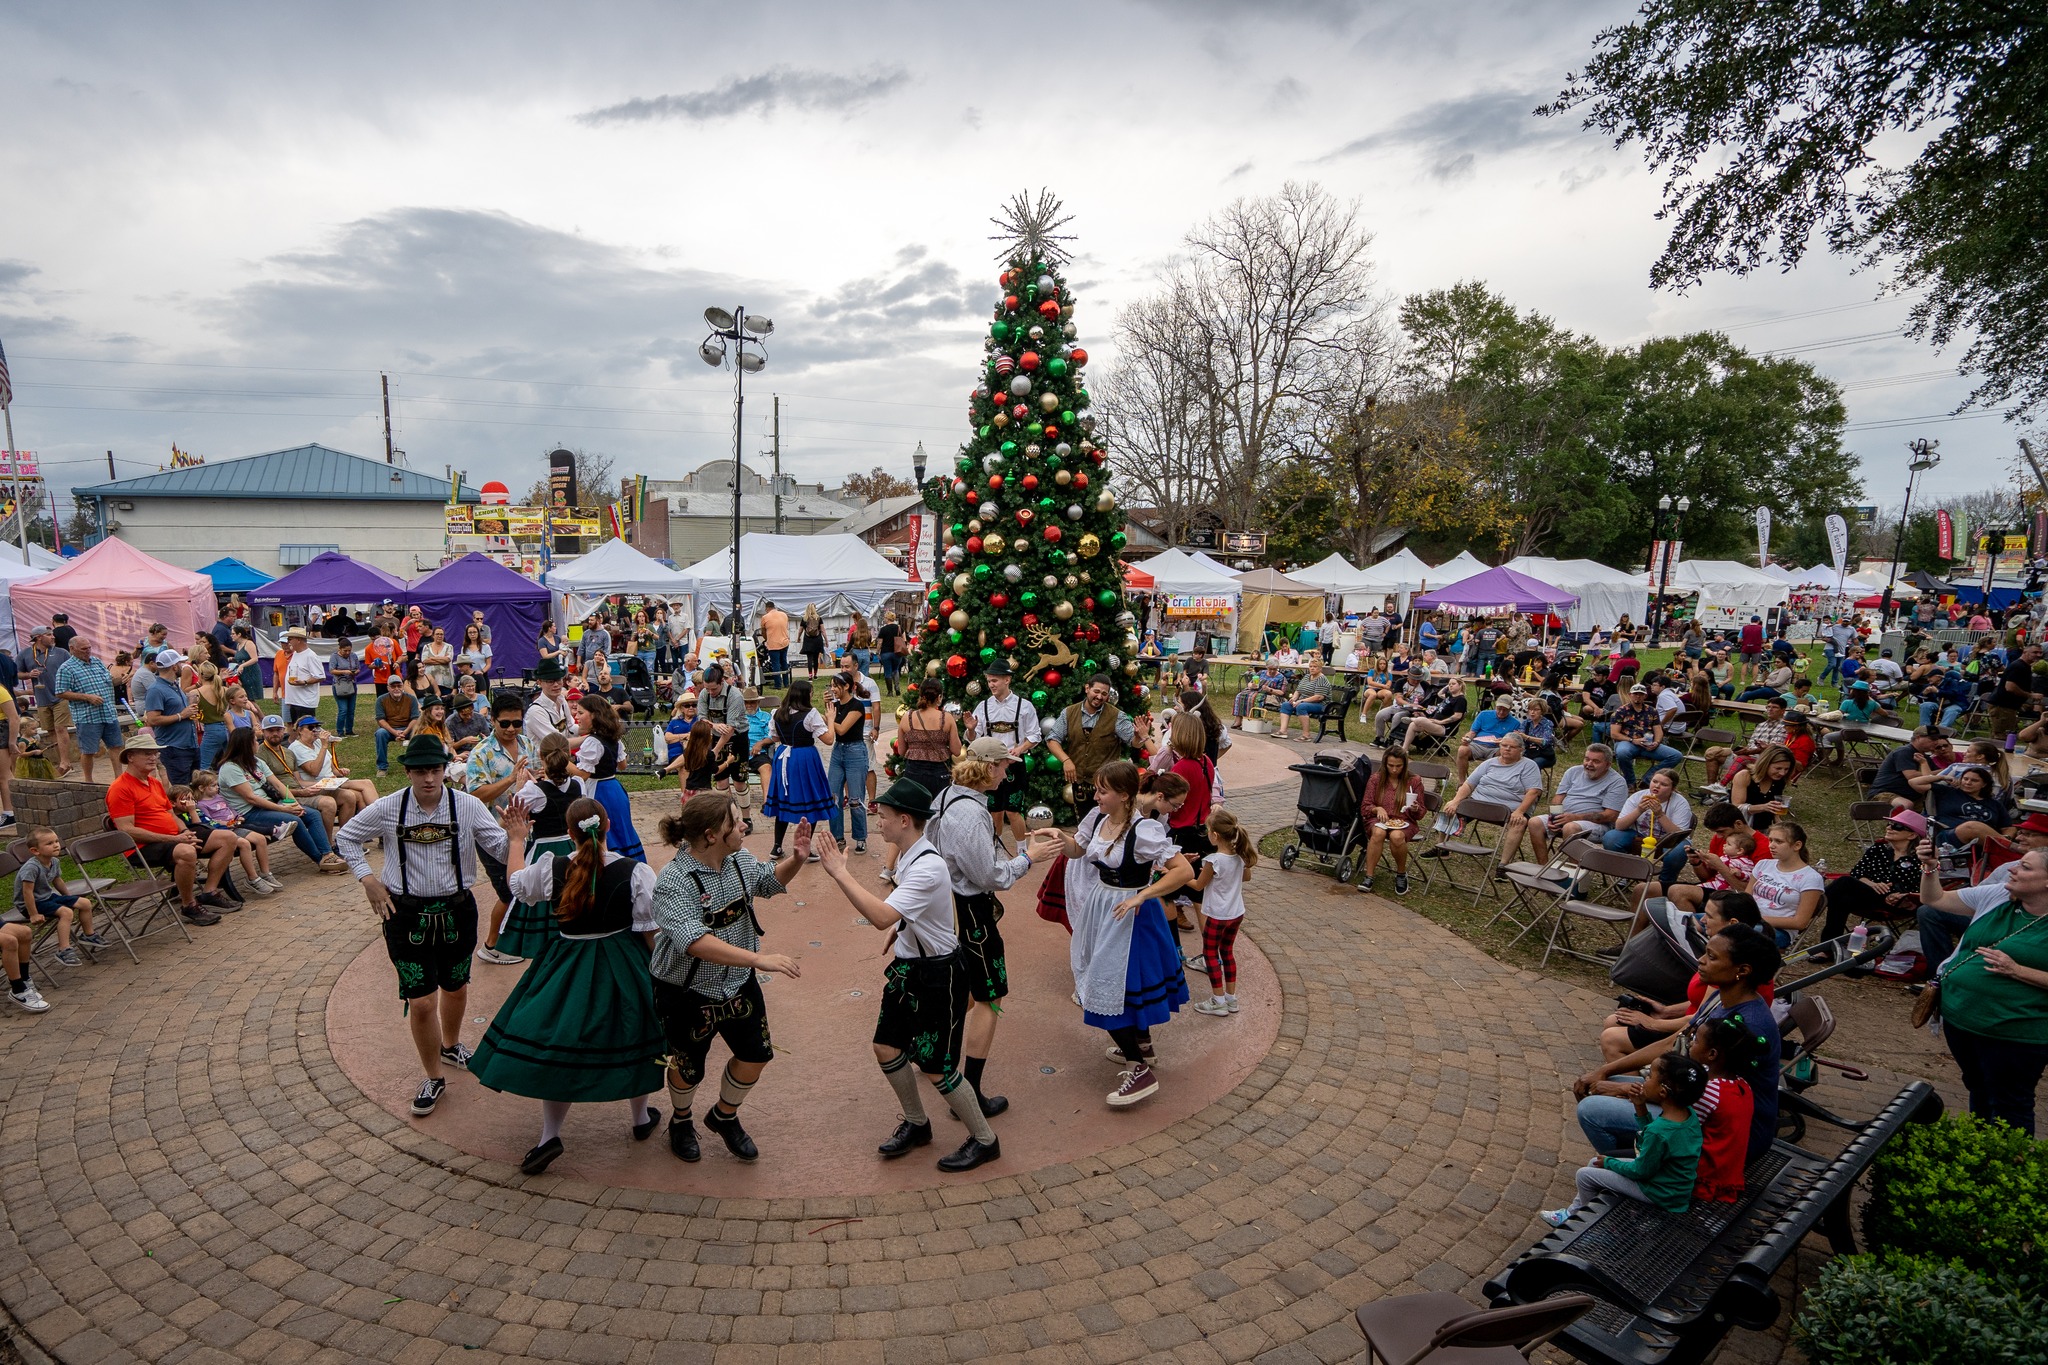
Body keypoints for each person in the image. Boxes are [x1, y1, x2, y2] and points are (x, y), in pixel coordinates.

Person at [811, 781, 1003, 1171]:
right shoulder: (912, 856)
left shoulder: (927, 864)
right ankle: (917, 1124)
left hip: (938, 976)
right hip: (909, 969)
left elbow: (882, 912)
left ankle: (985, 1140)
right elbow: (913, 911)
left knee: (937, 1068)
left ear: (904, 820)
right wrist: (900, 928)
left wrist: (839, 873)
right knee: (886, 1047)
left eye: (882, 817)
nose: (877, 822)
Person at [468, 797, 665, 1174]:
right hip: (622, 963)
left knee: (560, 1043)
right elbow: (649, 932)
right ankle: (640, 1119)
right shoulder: (636, 871)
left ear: (570, 835)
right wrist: (660, 975)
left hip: (566, 963)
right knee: (637, 1034)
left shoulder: (552, 868)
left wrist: (516, 839)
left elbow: (515, 885)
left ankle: (549, 1135)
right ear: (607, 828)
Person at [336, 734, 520, 1119]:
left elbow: (499, 851)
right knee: (421, 1002)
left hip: (457, 910)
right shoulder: (388, 808)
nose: (429, 779)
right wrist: (367, 880)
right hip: (405, 915)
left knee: (455, 986)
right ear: (407, 773)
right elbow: (347, 837)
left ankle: (451, 1045)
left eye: (435, 770)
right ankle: (433, 1076)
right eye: (420, 771)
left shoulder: (468, 806)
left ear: (444, 771)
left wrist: (517, 838)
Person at [1050, 760, 1197, 1108]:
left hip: (1131, 915)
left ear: (1124, 794)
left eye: (1103, 790)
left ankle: (1140, 1068)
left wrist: (1143, 895)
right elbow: (1079, 850)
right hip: (1102, 907)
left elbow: (1184, 870)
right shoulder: (1099, 819)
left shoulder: (1144, 830)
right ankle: (1141, 1044)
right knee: (1114, 981)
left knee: (1105, 987)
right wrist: (1060, 838)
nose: (1096, 795)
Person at [927, 739, 1060, 1119]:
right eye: (1003, 766)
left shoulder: (949, 796)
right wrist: (1027, 859)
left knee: (960, 988)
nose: (1007, 772)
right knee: (990, 995)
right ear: (988, 769)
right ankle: (969, 1094)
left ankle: (933, 1054)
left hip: (944, 908)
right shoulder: (972, 814)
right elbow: (989, 875)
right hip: (970, 913)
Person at [1579, 923, 1783, 1165]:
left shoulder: (1747, 1026)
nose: (1700, 960)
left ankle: (1643, 1171)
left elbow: (1701, 1094)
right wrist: (1605, 1070)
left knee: (1590, 1110)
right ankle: (1642, 1158)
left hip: (1728, 1135)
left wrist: (1623, 1091)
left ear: (1742, 970)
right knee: (1604, 1082)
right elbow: (1673, 1042)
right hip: (1696, 1104)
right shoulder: (1721, 997)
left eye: (1711, 956)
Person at [1911, 842, 2048, 1134]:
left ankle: (2005, 1169)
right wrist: (1931, 867)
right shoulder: (1999, 895)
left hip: (2014, 1031)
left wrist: (2017, 971)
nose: (2012, 868)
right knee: (1979, 1087)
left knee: (2010, 1104)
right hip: (1962, 1020)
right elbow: (1933, 899)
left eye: (2025, 867)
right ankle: (1979, 1152)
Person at [1543, 1054, 1709, 1226]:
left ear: (1662, 1092)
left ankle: (1587, 1226)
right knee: (1595, 1162)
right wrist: (1639, 1105)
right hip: (1672, 1187)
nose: (1645, 1079)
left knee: (1585, 1176)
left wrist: (1610, 1163)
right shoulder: (1687, 1115)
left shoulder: (1659, 1131)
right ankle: (1572, 1214)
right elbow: (1649, 1143)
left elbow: (1640, 1171)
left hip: (1659, 1192)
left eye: (1650, 1076)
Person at [106, 734, 238, 924]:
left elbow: (172, 814)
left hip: (173, 837)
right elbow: (127, 830)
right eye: (147, 753)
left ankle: (209, 891)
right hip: (142, 847)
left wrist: (185, 832)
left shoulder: (155, 783)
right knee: (186, 851)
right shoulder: (120, 788)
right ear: (130, 757)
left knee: (228, 838)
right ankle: (189, 905)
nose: (153, 757)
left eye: (155, 753)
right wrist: (174, 840)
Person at [217, 727, 340, 871]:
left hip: (269, 805)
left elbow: (278, 784)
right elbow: (251, 799)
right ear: (245, 745)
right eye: (255, 741)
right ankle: (320, 860)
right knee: (295, 821)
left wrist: (294, 804)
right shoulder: (230, 768)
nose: (258, 743)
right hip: (250, 813)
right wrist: (284, 809)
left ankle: (327, 853)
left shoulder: (256, 761)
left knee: (312, 814)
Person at [1510, 743, 1629, 867]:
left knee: (1570, 827)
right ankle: (1544, 868)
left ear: (1608, 765)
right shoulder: (1573, 771)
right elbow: (1557, 799)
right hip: (1567, 818)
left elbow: (1610, 815)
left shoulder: (1617, 782)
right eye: (1587, 759)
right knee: (1535, 822)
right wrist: (1554, 817)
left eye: (1596, 761)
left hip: (1598, 825)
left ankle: (1574, 875)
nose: (1589, 764)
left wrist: (1575, 818)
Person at [1820, 809, 1926, 944]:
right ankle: (1829, 947)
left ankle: (1811, 909)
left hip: (1898, 902)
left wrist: (1902, 895)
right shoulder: (1878, 849)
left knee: (1844, 883)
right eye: (1889, 824)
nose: (1889, 828)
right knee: (1843, 898)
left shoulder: (1920, 859)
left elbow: (1922, 887)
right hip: (1869, 895)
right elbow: (1857, 873)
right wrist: (1873, 884)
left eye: (1897, 826)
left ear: (1911, 835)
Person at [967, 659, 1042, 849]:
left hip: (1015, 764)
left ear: (1007, 680)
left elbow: (1035, 735)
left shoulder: (1024, 706)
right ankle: (995, 847)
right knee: (994, 810)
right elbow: (973, 739)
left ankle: (1022, 849)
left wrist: (1020, 748)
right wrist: (971, 730)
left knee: (1013, 810)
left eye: (995, 680)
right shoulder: (983, 707)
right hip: (991, 765)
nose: (991, 684)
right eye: (989, 681)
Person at [1190, 809, 1256, 1014]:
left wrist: (1179, 873)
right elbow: (1246, 878)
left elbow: (1198, 885)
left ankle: (1218, 1001)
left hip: (1217, 915)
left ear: (1215, 835)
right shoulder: (1240, 856)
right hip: (1236, 913)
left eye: (1208, 831)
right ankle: (1231, 998)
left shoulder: (1213, 860)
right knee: (1227, 953)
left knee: (1210, 954)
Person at [14, 824, 107, 968]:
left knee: (84, 903)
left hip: (47, 897)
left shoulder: (54, 861)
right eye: (49, 843)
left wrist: (69, 898)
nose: (56, 845)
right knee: (66, 912)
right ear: (35, 851)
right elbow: (27, 892)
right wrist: (33, 914)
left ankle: (88, 935)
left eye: (56, 841)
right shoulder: (31, 868)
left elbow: (57, 880)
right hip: (30, 904)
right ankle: (63, 950)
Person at [760, 678, 832, 859]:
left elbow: (775, 738)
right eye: (811, 692)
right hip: (804, 757)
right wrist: (830, 720)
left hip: (783, 755)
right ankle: (805, 847)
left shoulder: (777, 713)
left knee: (784, 800)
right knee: (810, 800)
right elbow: (829, 739)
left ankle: (776, 846)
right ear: (805, 695)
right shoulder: (811, 714)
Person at [1046, 675, 1135, 821]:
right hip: (1079, 783)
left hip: (1107, 784)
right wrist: (1066, 760)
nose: (1099, 697)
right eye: (1096, 691)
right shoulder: (1069, 713)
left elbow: (1133, 741)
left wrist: (1139, 736)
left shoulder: (1117, 716)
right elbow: (1052, 739)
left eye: (1104, 694)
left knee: (1106, 823)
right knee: (1083, 823)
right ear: (1087, 688)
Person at [569, 693, 645, 863]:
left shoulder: (593, 742)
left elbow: (583, 774)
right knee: (622, 829)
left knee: (604, 831)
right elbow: (622, 765)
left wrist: (562, 761)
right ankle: (630, 864)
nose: (577, 716)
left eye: (581, 713)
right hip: (615, 789)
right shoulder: (612, 738)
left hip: (600, 791)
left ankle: (610, 866)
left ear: (594, 715)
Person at [181, 773, 280, 896]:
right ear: (202, 788)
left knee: (260, 839)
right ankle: (253, 878)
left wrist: (237, 817)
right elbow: (206, 823)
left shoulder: (219, 797)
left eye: (217, 785)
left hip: (234, 826)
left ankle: (265, 873)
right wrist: (226, 823)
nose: (217, 787)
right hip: (223, 831)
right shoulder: (200, 805)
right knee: (245, 844)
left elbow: (230, 809)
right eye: (213, 785)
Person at [1438, 732, 1545, 832]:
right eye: (1504, 745)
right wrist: (1456, 801)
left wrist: (1520, 811)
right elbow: (1469, 784)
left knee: (1519, 823)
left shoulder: (1529, 766)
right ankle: (1441, 848)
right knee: (1449, 806)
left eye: (1512, 747)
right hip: (1480, 803)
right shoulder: (1490, 763)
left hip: (1510, 809)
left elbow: (1533, 792)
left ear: (1521, 749)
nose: (1507, 749)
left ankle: (1506, 853)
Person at [1355, 747, 1426, 896]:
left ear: (1404, 765)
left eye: (1398, 766)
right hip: (1378, 819)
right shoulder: (1376, 779)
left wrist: (1415, 808)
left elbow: (1420, 814)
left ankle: (1401, 874)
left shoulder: (1414, 781)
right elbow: (1365, 807)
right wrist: (1377, 809)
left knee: (1397, 836)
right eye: (1391, 765)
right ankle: (1369, 876)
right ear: (1385, 764)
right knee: (1378, 832)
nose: (1394, 770)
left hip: (1405, 821)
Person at [54, 635, 124, 785]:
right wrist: (86, 697)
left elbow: (108, 681)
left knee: (116, 746)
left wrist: (119, 680)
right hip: (87, 717)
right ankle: (88, 782)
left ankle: (120, 779)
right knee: (88, 751)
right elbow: (60, 692)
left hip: (108, 712)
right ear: (72, 649)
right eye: (83, 649)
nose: (88, 651)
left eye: (89, 648)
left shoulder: (97, 662)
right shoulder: (66, 668)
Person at [1606, 769, 1693, 887]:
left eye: (1664, 784)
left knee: (1679, 851)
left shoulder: (1680, 803)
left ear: (1673, 789)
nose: (1657, 786)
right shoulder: (1638, 797)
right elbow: (1619, 825)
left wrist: (1660, 815)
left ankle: (1664, 884)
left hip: (1667, 841)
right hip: (1639, 837)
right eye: (1654, 781)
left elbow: (1680, 835)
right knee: (1611, 837)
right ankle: (1622, 875)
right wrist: (1639, 810)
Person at [288, 715, 378, 822]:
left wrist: (341, 771)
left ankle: (361, 830)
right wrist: (324, 746)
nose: (315, 731)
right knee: (363, 786)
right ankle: (380, 818)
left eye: (317, 727)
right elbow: (314, 771)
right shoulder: (297, 748)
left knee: (361, 793)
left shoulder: (318, 743)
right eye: (311, 727)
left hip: (331, 782)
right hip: (317, 784)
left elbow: (333, 769)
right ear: (300, 730)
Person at [1748, 821, 1825, 942]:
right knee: (1709, 920)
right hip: (1749, 921)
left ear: (1797, 845)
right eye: (1770, 840)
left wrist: (1756, 919)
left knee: (1735, 935)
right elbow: (1746, 898)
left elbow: (1800, 922)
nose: (1771, 845)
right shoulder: (1763, 865)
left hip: (1780, 930)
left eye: (1778, 841)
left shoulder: (1811, 878)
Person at [141, 649, 203, 789]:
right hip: (174, 748)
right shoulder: (156, 690)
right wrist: (181, 715)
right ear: (174, 667)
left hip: (190, 745)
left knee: (195, 787)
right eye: (180, 663)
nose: (182, 666)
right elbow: (153, 720)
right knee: (181, 790)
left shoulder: (175, 686)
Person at [824, 672, 870, 852]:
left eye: (836, 686)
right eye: (832, 686)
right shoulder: (833, 706)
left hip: (855, 752)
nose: (833, 689)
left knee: (855, 799)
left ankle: (860, 837)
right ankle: (837, 837)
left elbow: (841, 729)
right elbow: (829, 728)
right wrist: (827, 708)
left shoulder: (857, 706)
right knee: (832, 796)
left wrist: (829, 718)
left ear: (847, 687)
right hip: (838, 751)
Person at [895, 679, 960, 797]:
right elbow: (956, 750)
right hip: (938, 773)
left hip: (913, 773)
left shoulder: (907, 718)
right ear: (939, 697)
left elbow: (901, 751)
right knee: (938, 809)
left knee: (915, 811)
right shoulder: (946, 718)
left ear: (920, 695)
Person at [23, 629, 73, 779]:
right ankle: (65, 764)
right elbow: (17, 673)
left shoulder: (62, 652)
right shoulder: (25, 654)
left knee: (60, 728)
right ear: (39, 637)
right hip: (42, 698)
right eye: (49, 635)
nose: (53, 637)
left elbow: (72, 669)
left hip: (61, 696)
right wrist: (28, 675)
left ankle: (64, 764)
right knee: (51, 731)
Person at [1610, 683, 1680, 788]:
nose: (1638, 696)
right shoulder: (1620, 711)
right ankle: (1630, 781)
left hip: (1648, 743)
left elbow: (1658, 730)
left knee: (1676, 755)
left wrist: (1656, 742)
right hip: (1628, 742)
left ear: (1645, 696)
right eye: (1635, 694)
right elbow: (1614, 734)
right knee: (1622, 752)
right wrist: (1632, 740)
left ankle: (1648, 780)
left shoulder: (1652, 711)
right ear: (1630, 695)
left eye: (1640, 694)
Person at [1454, 693, 1525, 783]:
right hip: (1477, 744)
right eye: (1499, 709)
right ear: (1495, 706)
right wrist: (1467, 738)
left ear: (1510, 709)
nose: (1501, 712)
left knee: (1506, 753)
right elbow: (1472, 732)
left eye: (1505, 710)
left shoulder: (1515, 723)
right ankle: (1462, 782)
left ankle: (1492, 782)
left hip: (1497, 748)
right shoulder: (1484, 714)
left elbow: (1513, 741)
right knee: (1462, 750)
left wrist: (1503, 742)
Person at [1728, 746, 1795, 832]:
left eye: (1786, 769)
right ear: (1765, 764)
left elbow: (1775, 808)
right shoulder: (1745, 776)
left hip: (1764, 827)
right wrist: (1763, 807)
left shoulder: (1780, 780)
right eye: (1778, 768)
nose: (1782, 773)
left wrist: (1780, 824)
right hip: (1740, 827)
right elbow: (1737, 806)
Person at [1987, 641, 2041, 739]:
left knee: (2003, 736)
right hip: (2002, 706)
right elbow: (2010, 687)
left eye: (2040, 653)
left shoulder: (2025, 666)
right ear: (2025, 652)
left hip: (2008, 706)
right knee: (2001, 737)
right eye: (2035, 652)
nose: (2038, 655)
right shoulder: (2018, 666)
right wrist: (2030, 695)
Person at [374, 670, 419, 774]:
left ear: (403, 686)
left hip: (408, 728)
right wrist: (395, 732)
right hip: (389, 729)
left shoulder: (411, 699)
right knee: (380, 734)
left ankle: (415, 764)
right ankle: (382, 767)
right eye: (393, 686)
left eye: (399, 686)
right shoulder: (381, 700)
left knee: (419, 733)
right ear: (388, 688)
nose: (396, 689)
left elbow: (415, 718)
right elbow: (380, 720)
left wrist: (405, 732)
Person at [281, 626, 328, 726]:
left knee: (306, 731)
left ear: (298, 640)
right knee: (296, 729)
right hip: (295, 701)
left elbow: (320, 676)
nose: (288, 641)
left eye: (290, 639)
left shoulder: (310, 656)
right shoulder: (296, 654)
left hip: (304, 702)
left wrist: (304, 682)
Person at [523, 657, 574, 748]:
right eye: (550, 681)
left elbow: (571, 728)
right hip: (543, 760)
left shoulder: (562, 700)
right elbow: (558, 743)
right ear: (539, 682)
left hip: (561, 757)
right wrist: (588, 737)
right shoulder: (535, 711)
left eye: (558, 679)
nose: (556, 684)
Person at [1280, 657, 1333, 742]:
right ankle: (1282, 731)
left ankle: (1306, 735)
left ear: (1320, 668)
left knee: (1301, 707)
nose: (1312, 668)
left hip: (1321, 705)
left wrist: (1301, 701)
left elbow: (1318, 697)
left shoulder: (1322, 679)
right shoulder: (1307, 676)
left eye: (1315, 667)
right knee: (1286, 705)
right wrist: (1294, 698)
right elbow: (1298, 690)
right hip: (1304, 701)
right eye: (1311, 666)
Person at [329, 635, 361, 736]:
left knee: (351, 710)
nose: (347, 653)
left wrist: (355, 672)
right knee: (343, 710)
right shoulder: (334, 656)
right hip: (339, 685)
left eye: (349, 651)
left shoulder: (354, 656)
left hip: (351, 684)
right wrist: (344, 672)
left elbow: (358, 668)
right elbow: (332, 670)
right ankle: (340, 731)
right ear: (340, 649)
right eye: (345, 651)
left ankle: (349, 730)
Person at [759, 600, 791, 687]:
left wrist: (766, 639)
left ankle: (778, 684)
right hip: (785, 642)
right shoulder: (784, 615)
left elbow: (763, 631)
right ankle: (786, 683)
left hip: (773, 644)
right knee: (784, 662)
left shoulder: (765, 617)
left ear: (767, 608)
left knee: (775, 663)